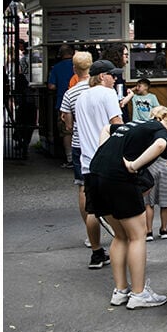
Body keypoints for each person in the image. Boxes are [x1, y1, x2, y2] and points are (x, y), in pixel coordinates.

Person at [87, 109, 167, 310]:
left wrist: (106, 153)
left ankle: (120, 291)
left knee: (120, 236)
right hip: (120, 180)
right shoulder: (161, 133)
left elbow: (107, 128)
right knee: (137, 236)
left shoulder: (137, 124)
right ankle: (138, 293)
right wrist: (134, 166)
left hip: (97, 174)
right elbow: (161, 145)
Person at [75, 59, 125, 268]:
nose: (115, 78)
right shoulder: (107, 94)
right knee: (119, 206)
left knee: (93, 209)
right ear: (102, 76)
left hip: (88, 159)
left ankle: (96, 252)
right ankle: (122, 245)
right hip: (108, 158)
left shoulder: (81, 97)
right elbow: (117, 124)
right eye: (112, 75)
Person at [60, 52, 101, 252]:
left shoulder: (71, 93)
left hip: (80, 143)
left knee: (84, 188)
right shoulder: (101, 90)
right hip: (101, 142)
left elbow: (68, 125)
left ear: (74, 69)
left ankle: (90, 233)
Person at [141, 106, 167, 241]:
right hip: (165, 166)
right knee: (165, 202)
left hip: (150, 167)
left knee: (149, 202)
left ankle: (148, 231)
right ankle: (164, 229)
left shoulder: (148, 131)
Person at [47, 44, 76, 164]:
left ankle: (69, 158)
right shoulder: (77, 66)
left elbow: (51, 86)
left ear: (60, 54)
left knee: (66, 131)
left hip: (62, 102)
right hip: (79, 102)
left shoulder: (56, 68)